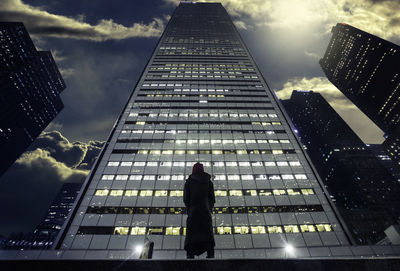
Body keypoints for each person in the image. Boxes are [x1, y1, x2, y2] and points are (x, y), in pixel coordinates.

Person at [183, 162, 215, 259]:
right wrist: (208, 208)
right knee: (208, 233)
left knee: (191, 234)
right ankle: (210, 254)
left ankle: (190, 254)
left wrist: (190, 208)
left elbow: (185, 199)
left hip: (193, 212)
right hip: (205, 212)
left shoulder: (188, 182)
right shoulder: (209, 182)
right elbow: (212, 199)